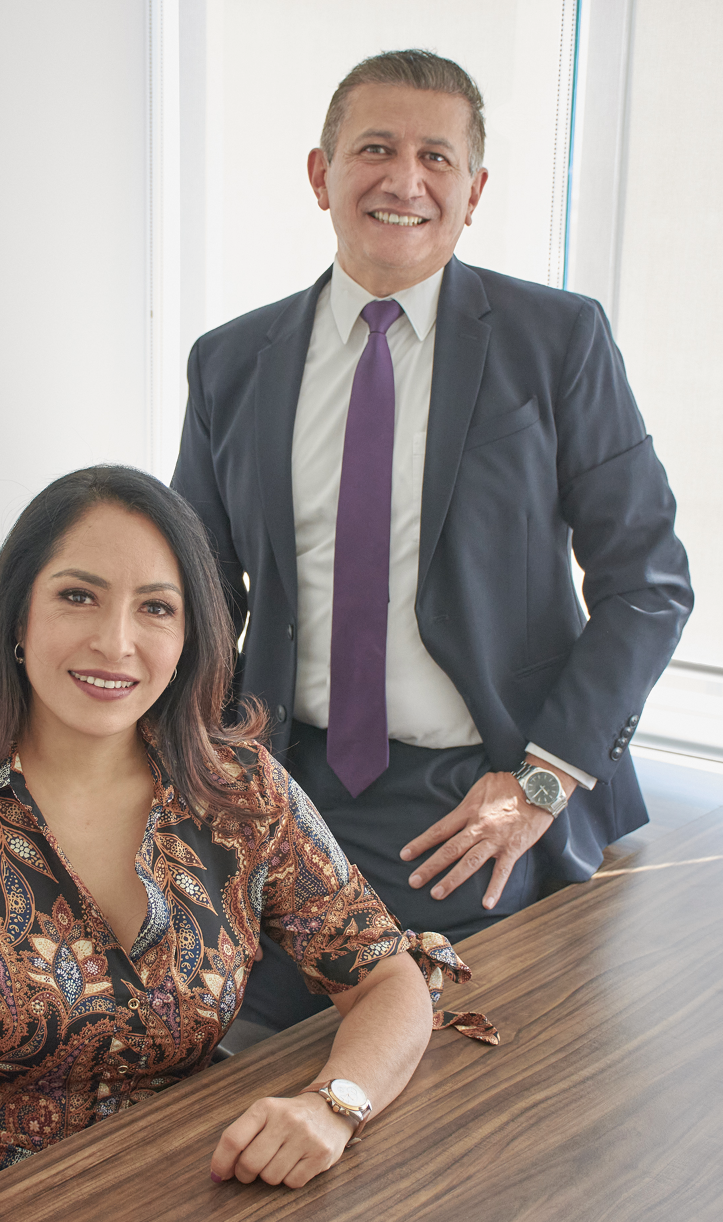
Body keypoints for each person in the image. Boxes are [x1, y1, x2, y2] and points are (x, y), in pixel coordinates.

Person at [0, 465, 489, 1222]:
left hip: (184, 1197)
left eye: (155, 607)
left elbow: (387, 977)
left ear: (189, 638)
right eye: (77, 596)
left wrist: (334, 1104)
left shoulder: (239, 790)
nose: (115, 642)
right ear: (18, 617)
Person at [171, 50, 693, 1032]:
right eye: (375, 149)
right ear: (322, 174)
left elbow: (648, 584)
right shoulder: (231, 362)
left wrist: (540, 782)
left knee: (459, 1077)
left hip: (480, 795)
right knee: (247, 1050)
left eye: (435, 157)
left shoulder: (557, 342)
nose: (404, 180)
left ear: (473, 191)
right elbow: (192, 596)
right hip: (287, 789)